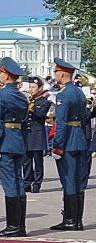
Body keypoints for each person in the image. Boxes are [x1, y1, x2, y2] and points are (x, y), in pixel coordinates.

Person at [0, 58, 29, 237]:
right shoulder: (21, 96)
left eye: (1, 73)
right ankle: (20, 225)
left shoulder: (0, 95)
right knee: (18, 182)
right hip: (18, 140)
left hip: (4, 142)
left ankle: (13, 226)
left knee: (10, 184)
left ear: (6, 75)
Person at [50, 57, 90, 231]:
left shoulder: (64, 94)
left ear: (63, 73)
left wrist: (57, 146)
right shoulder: (79, 92)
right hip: (79, 138)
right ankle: (76, 220)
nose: (54, 74)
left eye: (56, 71)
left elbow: (61, 123)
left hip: (68, 141)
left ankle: (70, 220)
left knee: (68, 181)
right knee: (78, 181)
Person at [24, 76, 50, 194]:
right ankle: (27, 182)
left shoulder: (44, 101)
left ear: (40, 88)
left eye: (33, 87)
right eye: (30, 87)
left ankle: (37, 183)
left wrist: (31, 109)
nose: (31, 89)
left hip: (37, 135)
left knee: (38, 161)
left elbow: (40, 114)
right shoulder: (28, 101)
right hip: (27, 134)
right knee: (26, 161)